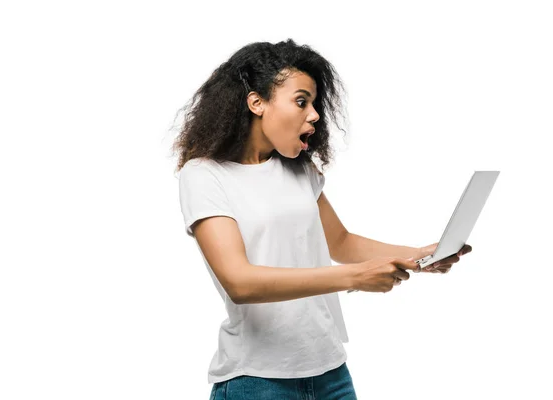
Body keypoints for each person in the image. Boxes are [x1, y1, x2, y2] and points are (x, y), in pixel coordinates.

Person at [171, 38, 472, 400]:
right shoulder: (204, 175)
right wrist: (355, 277)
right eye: (301, 101)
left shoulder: (299, 169)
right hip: (257, 381)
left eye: (314, 103)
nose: (314, 114)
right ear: (257, 103)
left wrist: (420, 256)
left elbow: (341, 242)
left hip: (331, 374)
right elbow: (240, 282)